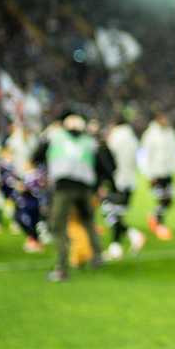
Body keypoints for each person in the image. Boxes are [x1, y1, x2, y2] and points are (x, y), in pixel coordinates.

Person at [34, 114, 105, 282]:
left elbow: (36, 155)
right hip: (84, 189)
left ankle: (62, 267)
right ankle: (98, 256)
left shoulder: (55, 137)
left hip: (63, 188)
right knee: (87, 222)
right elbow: (102, 165)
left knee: (57, 226)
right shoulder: (89, 141)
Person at [101, 117, 144, 260]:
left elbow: (108, 160)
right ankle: (116, 248)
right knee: (115, 214)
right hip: (129, 181)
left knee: (109, 212)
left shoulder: (115, 138)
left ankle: (132, 235)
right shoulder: (132, 138)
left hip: (117, 181)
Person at [142, 112, 175, 241]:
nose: (165, 120)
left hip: (167, 172)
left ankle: (154, 217)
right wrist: (149, 174)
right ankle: (159, 225)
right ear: (157, 119)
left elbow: (173, 151)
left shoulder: (169, 132)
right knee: (162, 199)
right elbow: (147, 155)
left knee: (169, 200)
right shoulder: (150, 134)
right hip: (156, 173)